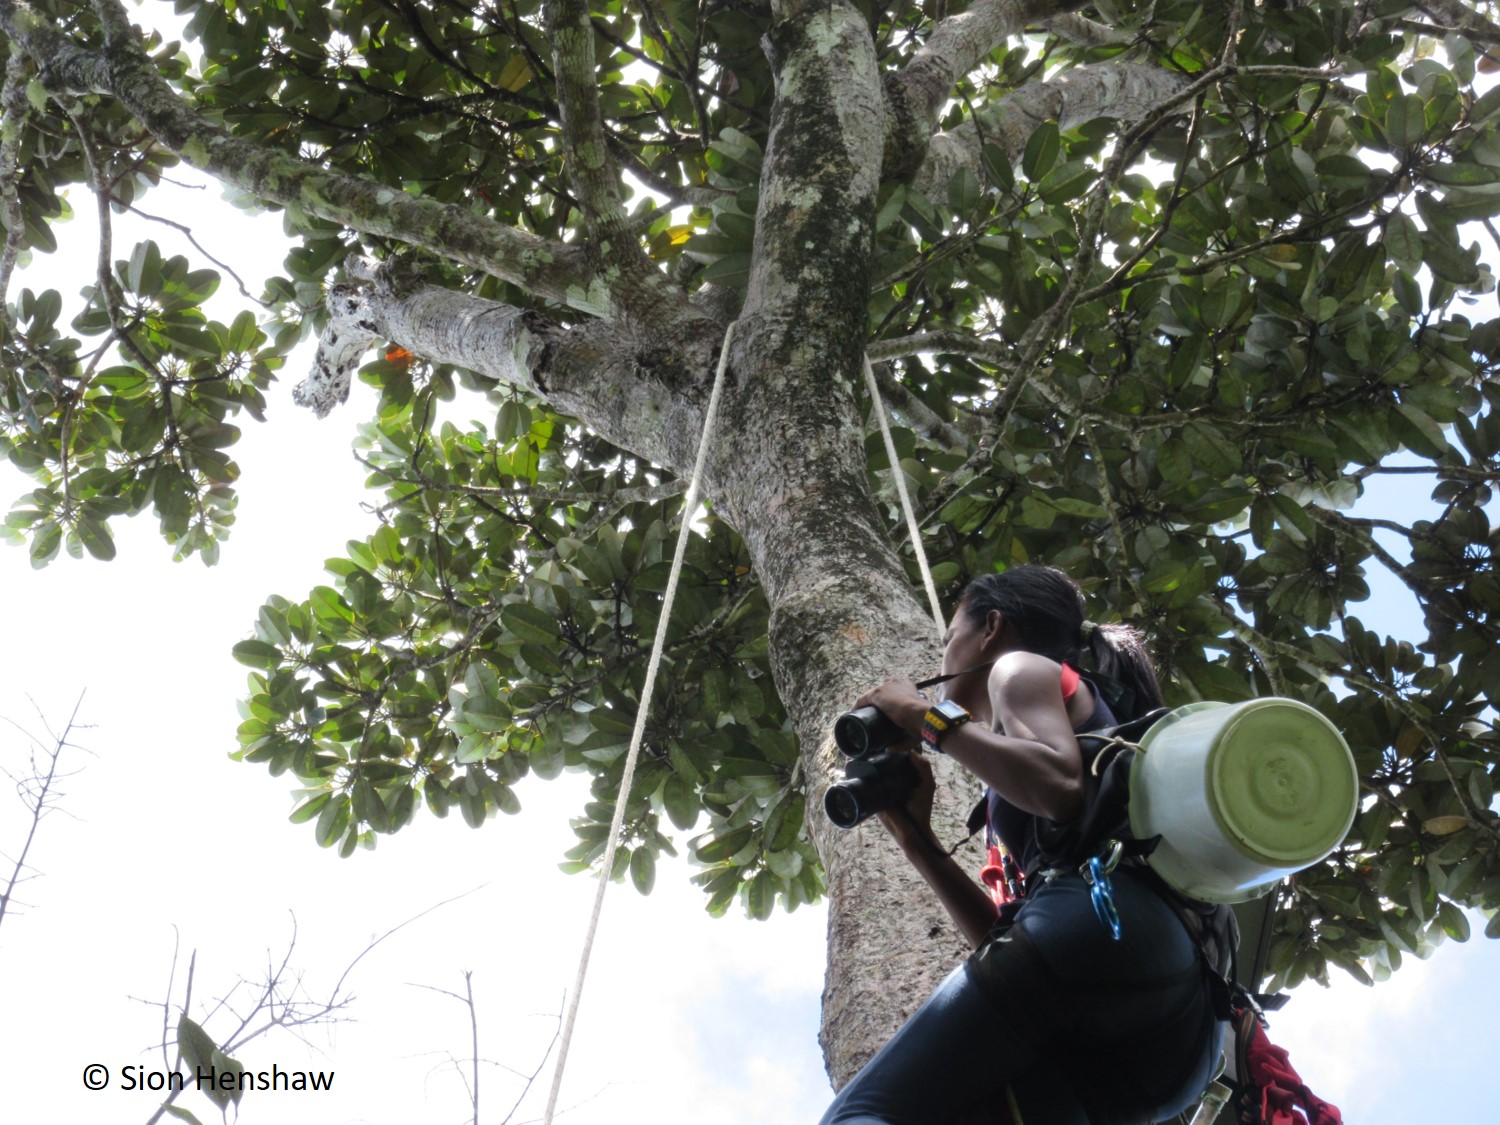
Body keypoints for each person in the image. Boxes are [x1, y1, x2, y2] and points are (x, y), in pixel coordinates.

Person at [819, 565, 1226, 1125]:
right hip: (1170, 1045)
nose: (944, 660)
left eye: (948, 639)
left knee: (865, 1113)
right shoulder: (1083, 754)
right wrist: (918, 842)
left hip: (1104, 932)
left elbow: (1057, 787)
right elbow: (1008, 947)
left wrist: (920, 713)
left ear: (991, 627)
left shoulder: (1020, 667)